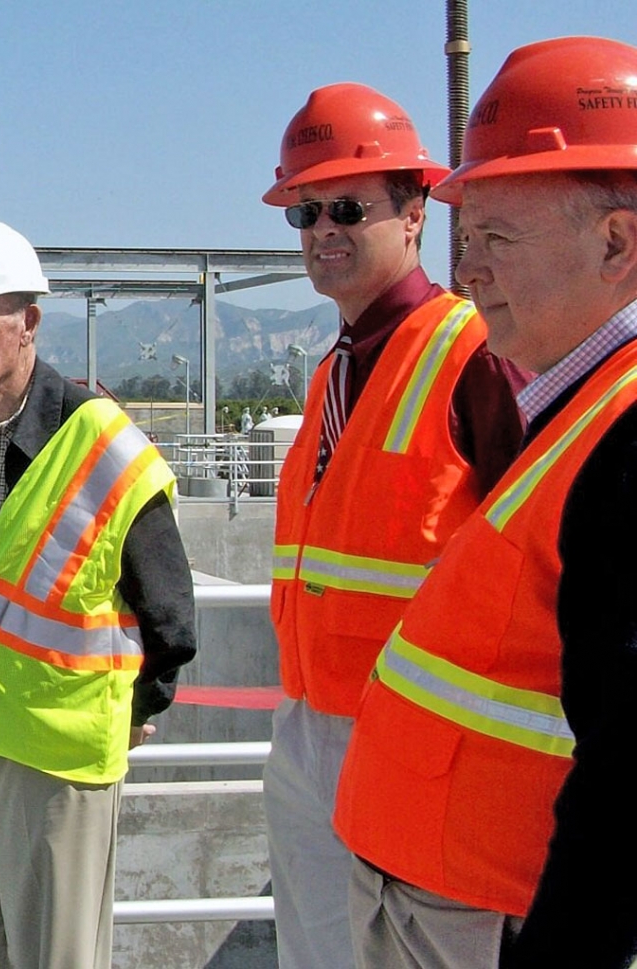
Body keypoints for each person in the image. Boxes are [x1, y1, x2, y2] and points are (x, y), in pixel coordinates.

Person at [334, 36, 637, 969]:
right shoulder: (579, 412)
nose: (470, 273)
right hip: (444, 900)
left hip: (497, 918)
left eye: (497, 237)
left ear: (617, 243)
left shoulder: (625, 440)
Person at [260, 83, 528, 969]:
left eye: (347, 207)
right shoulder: (330, 377)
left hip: (417, 741)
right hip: (308, 731)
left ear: (415, 213)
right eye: (305, 211)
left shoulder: (471, 355)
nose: (322, 229)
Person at [0, 220, 197, 969]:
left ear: (29, 322)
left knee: (55, 955)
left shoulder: (102, 443)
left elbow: (170, 611)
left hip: (56, 753)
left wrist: (137, 710)